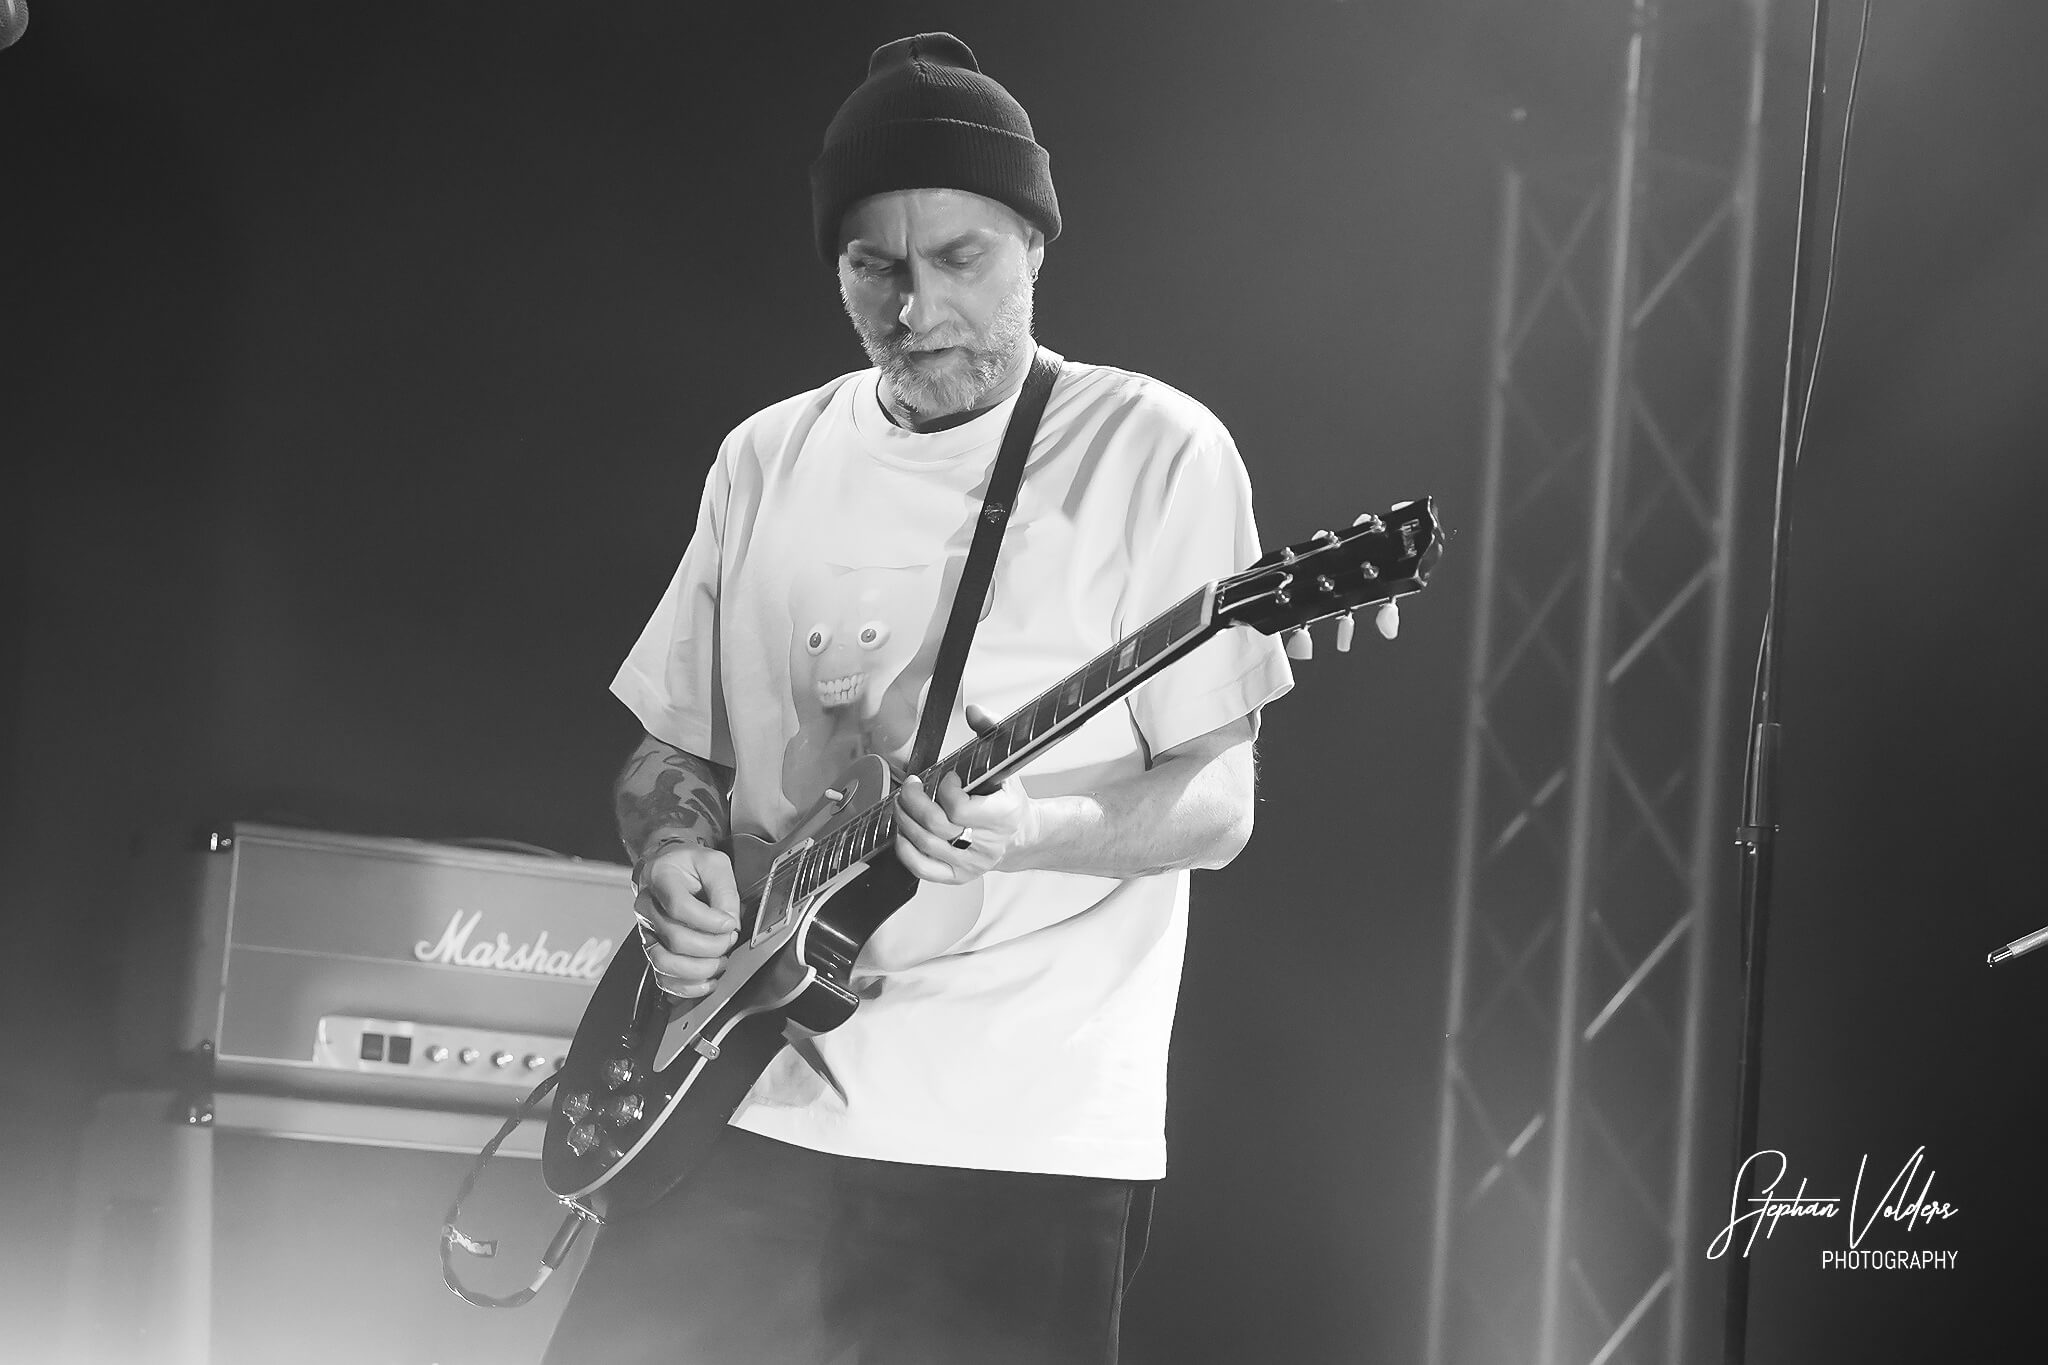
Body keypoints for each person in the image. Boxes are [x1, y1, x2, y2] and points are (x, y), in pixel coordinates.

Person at [543, 31, 1292, 1365]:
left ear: (1035, 245)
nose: (918, 308)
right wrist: (671, 855)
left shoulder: (1151, 450)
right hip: (737, 1096)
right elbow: (672, 752)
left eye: (962, 259)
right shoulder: (767, 455)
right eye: (874, 267)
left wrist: (1025, 829)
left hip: (1014, 1136)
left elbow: (1217, 802)